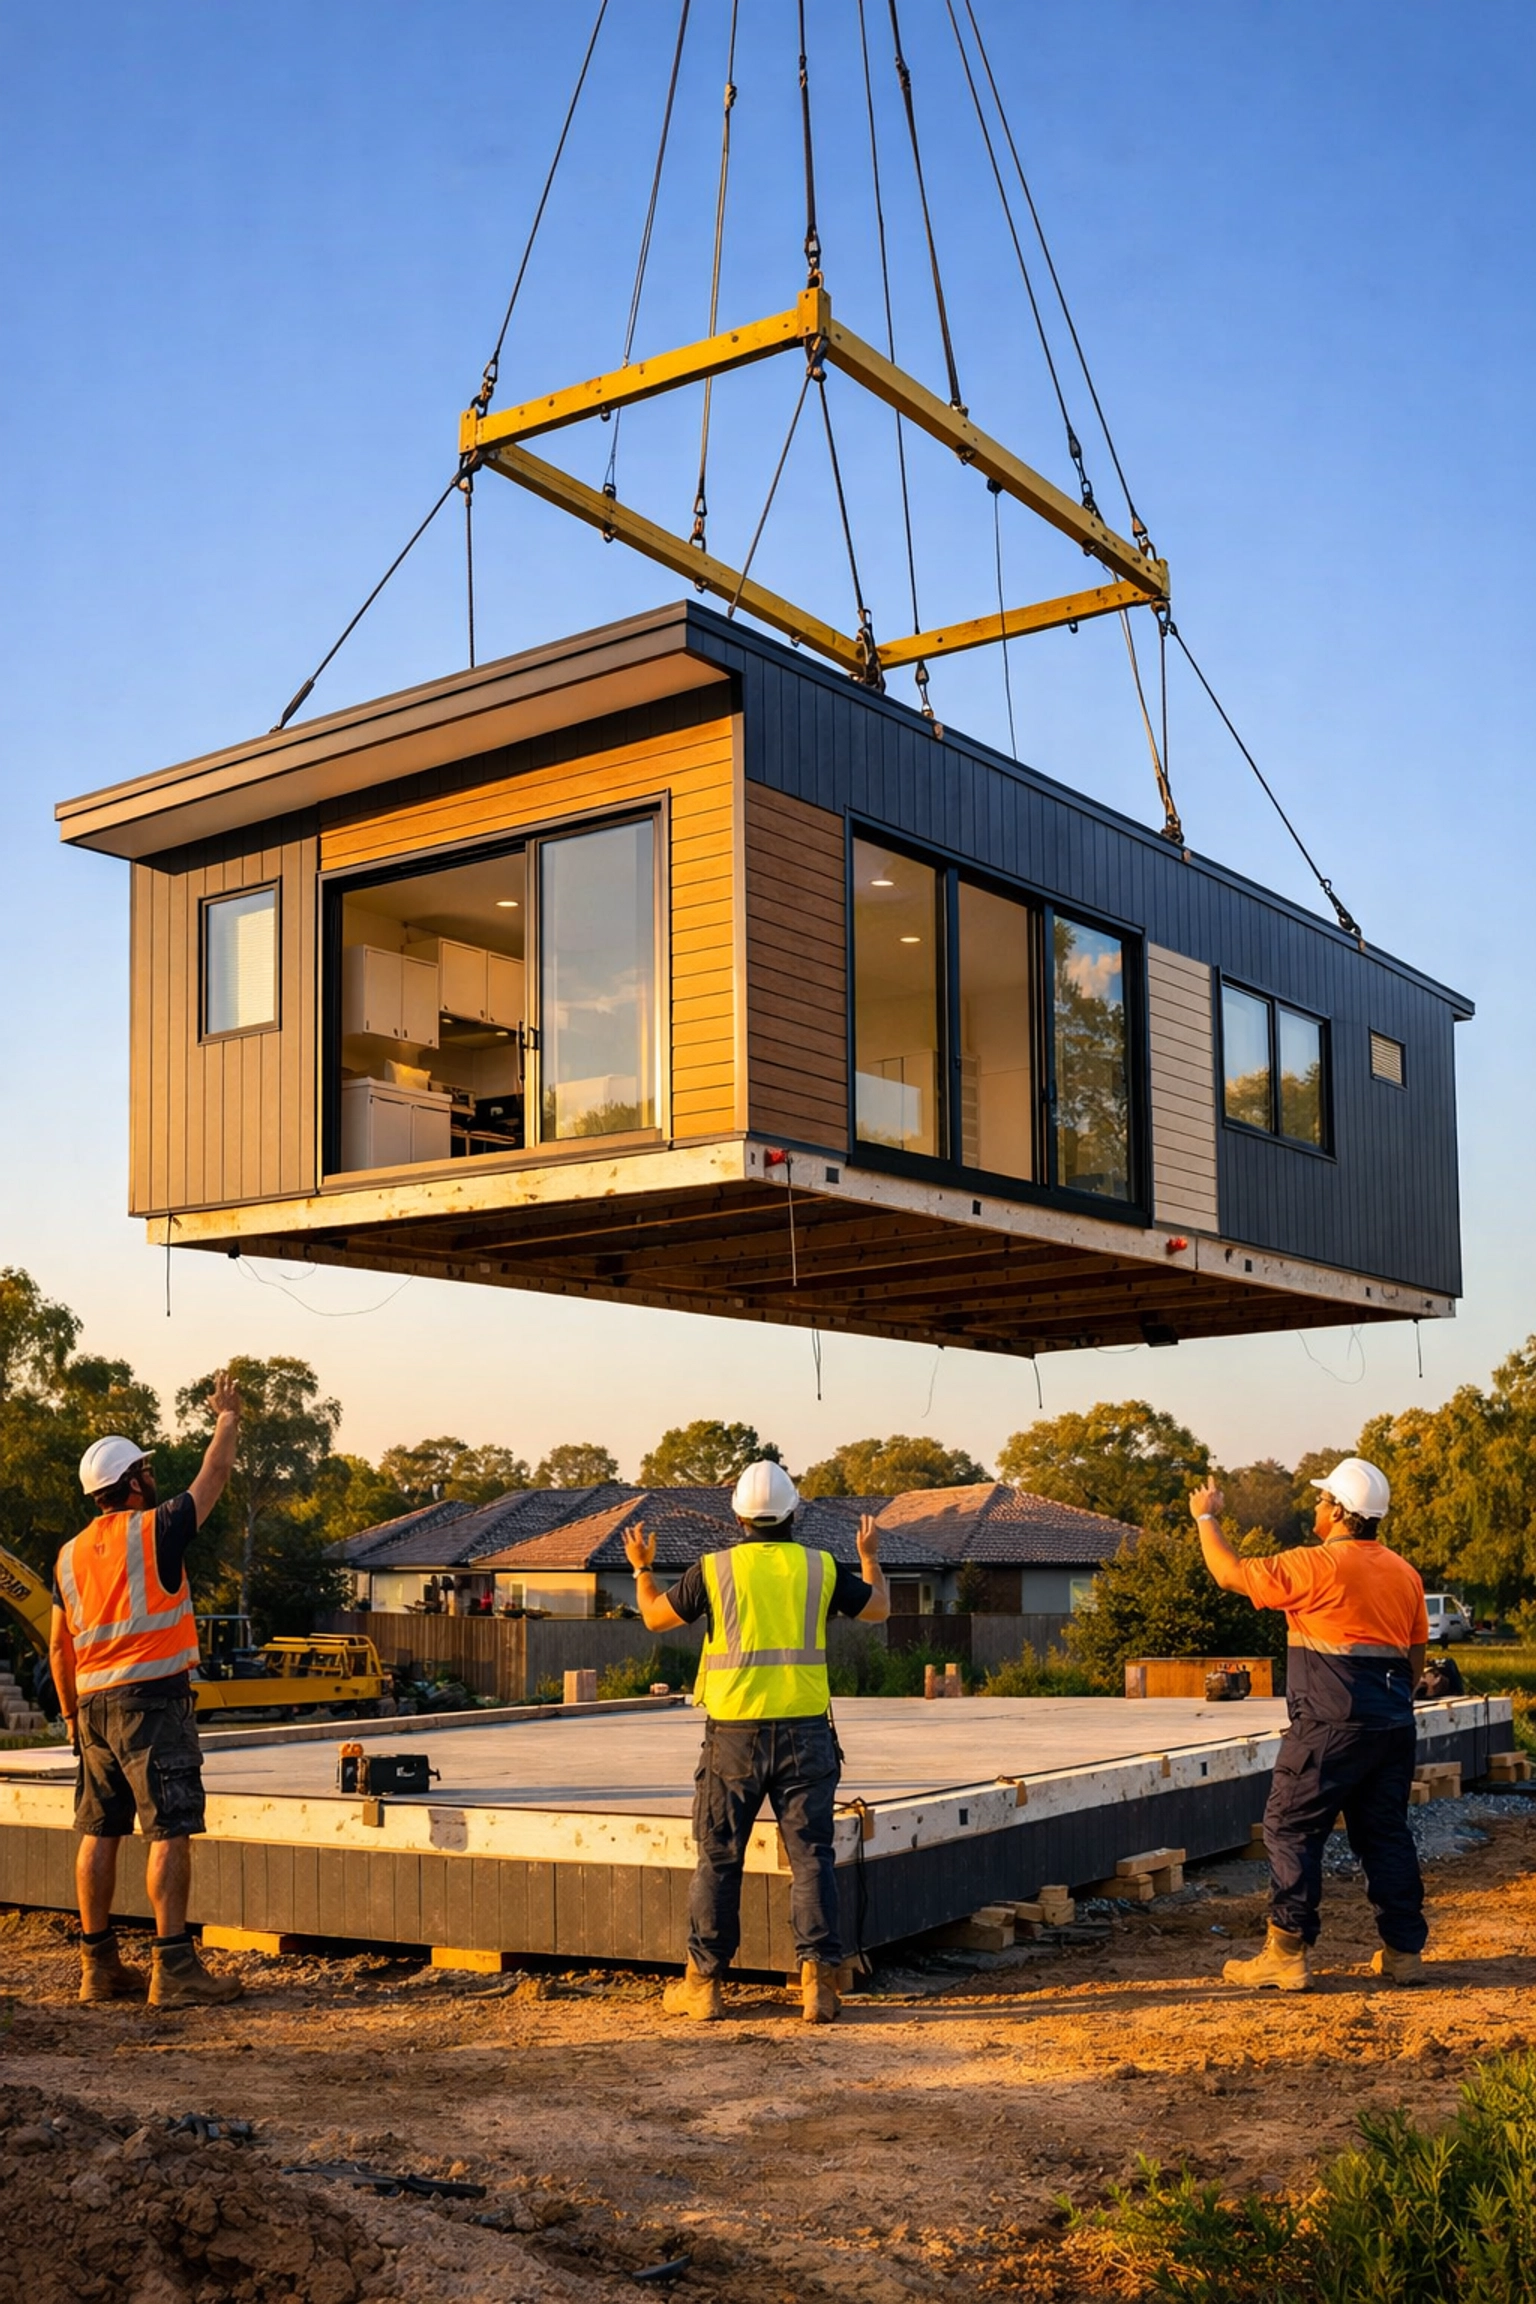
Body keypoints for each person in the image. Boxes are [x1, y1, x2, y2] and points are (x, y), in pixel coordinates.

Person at [624, 1462, 889, 2024]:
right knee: (812, 1857)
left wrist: (642, 1570)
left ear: (738, 1515)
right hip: (807, 1734)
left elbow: (653, 1618)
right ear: (793, 1513)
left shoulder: (714, 1570)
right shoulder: (820, 1567)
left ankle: (704, 1985)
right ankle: (818, 1984)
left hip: (734, 1739)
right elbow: (879, 1609)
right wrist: (868, 1557)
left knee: (719, 1857)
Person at [1190, 1456, 1429, 1992]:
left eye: (1323, 1500)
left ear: (1341, 1512)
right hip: (1391, 1726)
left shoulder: (1313, 1566)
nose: (1316, 1506)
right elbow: (1413, 1663)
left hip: (1327, 1724)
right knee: (1385, 1834)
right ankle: (1404, 1953)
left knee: (1290, 1828)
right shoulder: (1405, 1574)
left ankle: (1287, 1951)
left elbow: (1229, 1573)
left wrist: (1207, 1517)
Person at [50, 1373, 245, 2009]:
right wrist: (226, 1418)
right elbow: (211, 1480)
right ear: (132, 1483)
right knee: (169, 1829)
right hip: (153, 1704)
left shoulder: (68, 1556)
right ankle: (174, 1968)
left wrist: (72, 1716)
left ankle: (98, 1966)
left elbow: (60, 1647)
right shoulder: (154, 1529)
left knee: (99, 1831)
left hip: (95, 1710)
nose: (153, 1480)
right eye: (146, 1471)